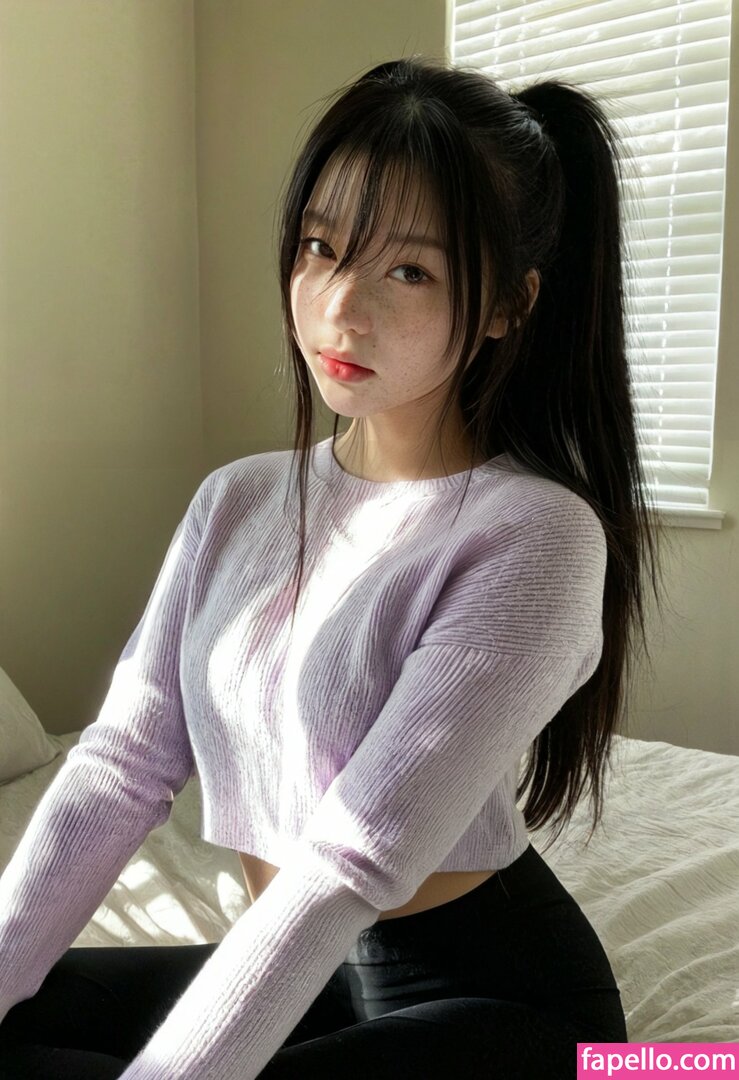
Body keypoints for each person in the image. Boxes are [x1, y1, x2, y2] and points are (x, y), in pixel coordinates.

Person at [0, 55, 667, 1078]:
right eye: (321, 248)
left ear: (506, 305)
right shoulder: (236, 499)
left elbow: (351, 857)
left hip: (495, 1005)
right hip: (311, 975)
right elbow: (121, 763)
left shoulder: (536, 535)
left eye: (410, 271)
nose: (340, 308)